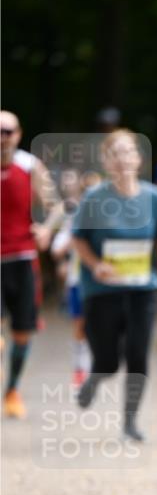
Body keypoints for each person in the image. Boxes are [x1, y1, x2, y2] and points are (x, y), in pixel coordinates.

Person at [72, 129, 157, 441]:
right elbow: (77, 239)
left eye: (128, 152)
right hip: (101, 292)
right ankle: (95, 378)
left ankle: (130, 422)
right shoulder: (95, 199)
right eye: (115, 154)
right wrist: (96, 265)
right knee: (107, 361)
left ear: (138, 158)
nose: (122, 159)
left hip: (142, 289)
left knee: (137, 355)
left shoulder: (154, 198)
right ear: (106, 161)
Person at [1, 110, 63, 418]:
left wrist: (47, 229)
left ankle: (11, 389)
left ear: (18, 134)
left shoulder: (30, 167)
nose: (2, 137)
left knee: (22, 333)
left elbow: (56, 206)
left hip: (22, 259)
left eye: (7, 131)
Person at [50, 169, 91, 387]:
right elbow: (57, 248)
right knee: (79, 324)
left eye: (72, 180)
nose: (68, 184)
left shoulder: (94, 209)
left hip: (97, 278)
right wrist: (62, 261)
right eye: (65, 181)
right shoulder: (64, 212)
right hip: (76, 278)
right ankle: (80, 367)